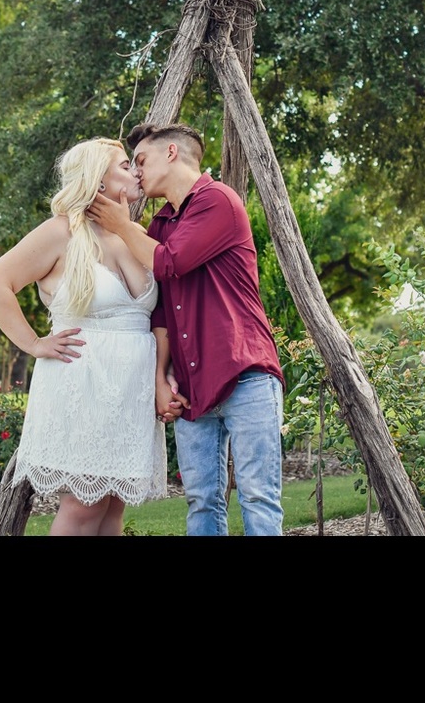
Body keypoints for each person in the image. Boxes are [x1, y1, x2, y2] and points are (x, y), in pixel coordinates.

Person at [86, 122, 286, 537]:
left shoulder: (218, 202)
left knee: (258, 498)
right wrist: (161, 377)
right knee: (202, 502)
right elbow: (159, 312)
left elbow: (169, 262)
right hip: (191, 388)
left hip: (245, 375)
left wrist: (122, 225)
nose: (136, 172)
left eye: (140, 160)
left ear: (172, 153)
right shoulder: (160, 223)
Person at [0, 137, 173, 536]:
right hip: (86, 384)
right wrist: (33, 343)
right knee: (84, 506)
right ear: (97, 181)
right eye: (124, 164)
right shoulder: (61, 232)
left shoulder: (134, 234)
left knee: (113, 508)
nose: (136, 170)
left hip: (131, 391)